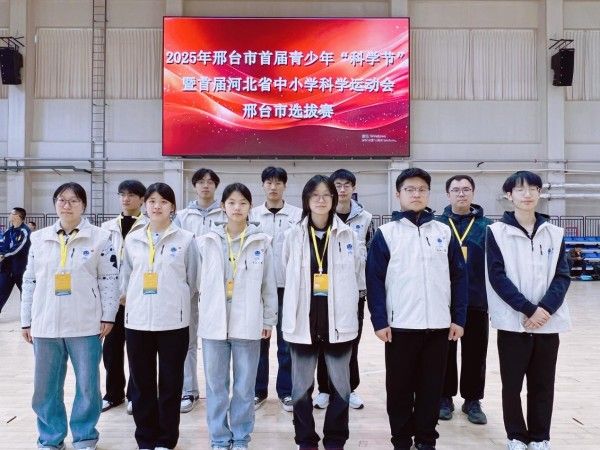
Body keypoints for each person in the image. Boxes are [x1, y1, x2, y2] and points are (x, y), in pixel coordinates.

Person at [366, 168, 468, 450]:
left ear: (429, 194)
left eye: (422, 189)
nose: (416, 194)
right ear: (398, 194)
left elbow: (459, 278)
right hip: (400, 328)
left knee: (431, 389)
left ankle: (426, 440)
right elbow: (374, 280)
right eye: (409, 189)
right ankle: (401, 440)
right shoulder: (386, 234)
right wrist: (379, 321)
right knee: (399, 390)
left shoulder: (444, 232)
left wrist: (458, 318)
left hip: (438, 327)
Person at [20, 182, 120, 450]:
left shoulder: (100, 238)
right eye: (62, 200)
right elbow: (29, 280)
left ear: (83, 205)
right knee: (45, 387)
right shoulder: (39, 238)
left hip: (85, 323)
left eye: (74, 200)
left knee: (87, 386)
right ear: (55, 203)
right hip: (45, 323)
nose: (67, 205)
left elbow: (109, 278)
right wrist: (26, 320)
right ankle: (50, 437)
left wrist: (108, 315)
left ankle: (85, 436)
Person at [486, 171, 571, 450]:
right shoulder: (496, 232)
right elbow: (497, 276)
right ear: (509, 195)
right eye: (520, 189)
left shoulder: (555, 233)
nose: (527, 194)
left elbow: (562, 276)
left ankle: (540, 437)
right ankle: (516, 436)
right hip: (514, 322)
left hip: (547, 322)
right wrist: (527, 309)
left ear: (539, 193)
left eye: (533, 188)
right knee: (512, 385)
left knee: (543, 384)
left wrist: (545, 309)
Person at [282, 175, 364, 450]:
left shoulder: (348, 235)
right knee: (300, 389)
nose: (320, 200)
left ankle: (335, 440)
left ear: (334, 199)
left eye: (326, 195)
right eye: (315, 195)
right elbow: (284, 269)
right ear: (306, 200)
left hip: (338, 323)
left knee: (341, 387)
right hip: (302, 322)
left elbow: (358, 274)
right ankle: (305, 440)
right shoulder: (293, 235)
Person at [197, 183, 277, 450]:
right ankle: (219, 438)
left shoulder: (261, 241)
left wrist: (268, 320)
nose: (237, 208)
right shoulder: (206, 241)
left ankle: (241, 437)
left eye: (243, 203)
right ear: (223, 206)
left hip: (248, 323)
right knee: (216, 387)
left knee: (244, 388)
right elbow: (196, 281)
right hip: (214, 325)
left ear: (250, 207)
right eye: (231, 202)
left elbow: (268, 284)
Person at [120, 182, 198, 450]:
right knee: (141, 384)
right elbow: (126, 277)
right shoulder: (133, 239)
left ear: (172, 207)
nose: (157, 206)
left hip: (173, 322)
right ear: (145, 205)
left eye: (163, 201)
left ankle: (166, 438)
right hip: (138, 321)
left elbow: (193, 280)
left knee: (170, 383)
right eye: (152, 201)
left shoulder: (186, 239)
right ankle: (145, 438)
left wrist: (174, 300)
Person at [313, 169, 373, 411]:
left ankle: (350, 387)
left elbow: (371, 255)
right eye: (338, 185)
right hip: (325, 290)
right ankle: (324, 389)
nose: (342, 189)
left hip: (355, 291)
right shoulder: (322, 216)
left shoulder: (365, 219)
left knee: (351, 341)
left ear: (354, 188)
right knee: (323, 339)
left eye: (347, 184)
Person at [437, 175, 493, 425]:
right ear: (447, 194)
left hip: (476, 301)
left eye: (466, 189)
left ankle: (472, 400)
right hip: (444, 301)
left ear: (473, 193)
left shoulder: (488, 227)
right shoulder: (437, 225)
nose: (461, 194)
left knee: (475, 353)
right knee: (444, 353)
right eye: (456, 189)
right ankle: (444, 397)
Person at [175, 167, 225, 413]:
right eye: (201, 181)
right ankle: (189, 390)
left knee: (219, 340)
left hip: (218, 286)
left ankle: (219, 392)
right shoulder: (182, 216)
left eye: (210, 181)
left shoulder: (225, 213)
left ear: (216, 186)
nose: (206, 185)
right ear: (194, 185)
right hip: (188, 285)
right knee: (188, 340)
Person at [251, 166, 302, 412]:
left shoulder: (298, 215)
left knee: (286, 344)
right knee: (258, 342)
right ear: (263, 185)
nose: (273, 187)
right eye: (269, 182)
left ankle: (286, 391)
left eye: (278, 183)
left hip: (287, 287)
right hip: (257, 290)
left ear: (285, 186)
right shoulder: (252, 215)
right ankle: (258, 391)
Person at [100, 180, 148, 414]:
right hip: (113, 298)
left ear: (142, 199)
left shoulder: (149, 226)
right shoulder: (107, 227)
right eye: (122, 194)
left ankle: (134, 395)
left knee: (137, 351)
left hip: (138, 298)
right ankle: (113, 394)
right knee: (111, 349)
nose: (126, 199)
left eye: (131, 195)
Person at [0, 207, 31, 314]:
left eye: (11, 213)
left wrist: (3, 255)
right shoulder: (8, 231)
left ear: (18, 216)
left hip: (20, 269)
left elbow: (18, 249)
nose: (9, 215)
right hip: (6, 269)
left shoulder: (25, 231)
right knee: (1, 290)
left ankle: (28, 316)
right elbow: (2, 245)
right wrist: (1, 253)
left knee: (26, 294)